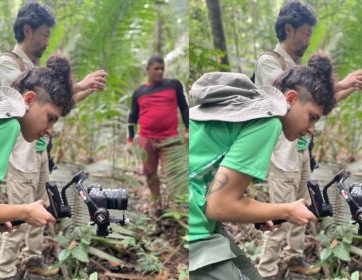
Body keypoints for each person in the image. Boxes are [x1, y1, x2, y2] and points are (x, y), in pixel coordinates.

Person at [189, 54, 337, 280]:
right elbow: (219, 206)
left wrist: (258, 213)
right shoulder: (268, 122)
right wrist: (286, 210)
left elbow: (217, 191)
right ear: (291, 98)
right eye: (311, 117)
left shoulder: (253, 108)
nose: (310, 129)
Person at [254, 1, 362, 279]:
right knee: (279, 216)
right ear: (289, 29)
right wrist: (339, 84)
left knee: (302, 206)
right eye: (305, 33)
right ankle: (266, 271)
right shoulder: (269, 62)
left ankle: (293, 259)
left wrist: (347, 89)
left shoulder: (296, 65)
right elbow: (289, 97)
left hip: (301, 152)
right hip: (281, 153)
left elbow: (314, 107)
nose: (308, 40)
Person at [0, 2, 107, 279]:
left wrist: (84, 90)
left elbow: (47, 108)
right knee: (20, 213)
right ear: (27, 29)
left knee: (23, 214)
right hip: (19, 156)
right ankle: (5, 271)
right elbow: (26, 99)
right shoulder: (7, 117)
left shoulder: (30, 97)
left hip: (37, 154)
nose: (47, 41)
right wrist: (78, 85)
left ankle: (31, 260)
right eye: (44, 34)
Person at [0, 55, 74, 279]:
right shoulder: (8, 126)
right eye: (50, 118)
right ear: (28, 99)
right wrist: (25, 211)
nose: (49, 130)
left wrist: (1, 215)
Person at [127, 55, 189, 216]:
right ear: (147, 70)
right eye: (156, 69)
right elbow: (132, 117)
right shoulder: (139, 92)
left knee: (174, 173)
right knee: (149, 173)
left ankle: (177, 207)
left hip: (170, 137)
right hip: (147, 138)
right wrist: (130, 139)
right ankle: (157, 204)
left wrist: (188, 130)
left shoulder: (173, 85)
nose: (160, 72)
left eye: (162, 68)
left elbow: (184, 108)